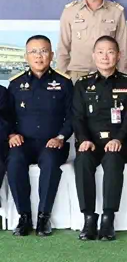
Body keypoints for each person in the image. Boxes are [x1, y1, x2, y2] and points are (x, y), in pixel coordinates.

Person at [72, 36, 127, 241]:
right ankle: (89, 218)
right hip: (90, 142)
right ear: (93, 55)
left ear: (118, 55)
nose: (105, 56)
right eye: (100, 52)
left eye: (110, 52)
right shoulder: (82, 84)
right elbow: (77, 116)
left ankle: (108, 218)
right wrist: (83, 139)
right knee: (82, 160)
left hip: (119, 143)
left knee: (113, 159)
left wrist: (118, 139)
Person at [6, 35, 73, 236]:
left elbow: (73, 116)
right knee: (14, 161)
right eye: (33, 52)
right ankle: (24, 216)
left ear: (51, 55)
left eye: (43, 51)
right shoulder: (15, 84)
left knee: (51, 162)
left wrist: (61, 137)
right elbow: (6, 115)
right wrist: (11, 134)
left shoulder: (64, 82)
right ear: (26, 56)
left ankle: (44, 217)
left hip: (52, 143)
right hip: (23, 142)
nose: (39, 56)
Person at [57, 0, 127, 81]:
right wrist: (61, 78)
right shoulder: (70, 11)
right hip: (76, 75)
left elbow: (122, 49)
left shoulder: (116, 12)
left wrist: (124, 79)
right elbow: (63, 48)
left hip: (107, 75)